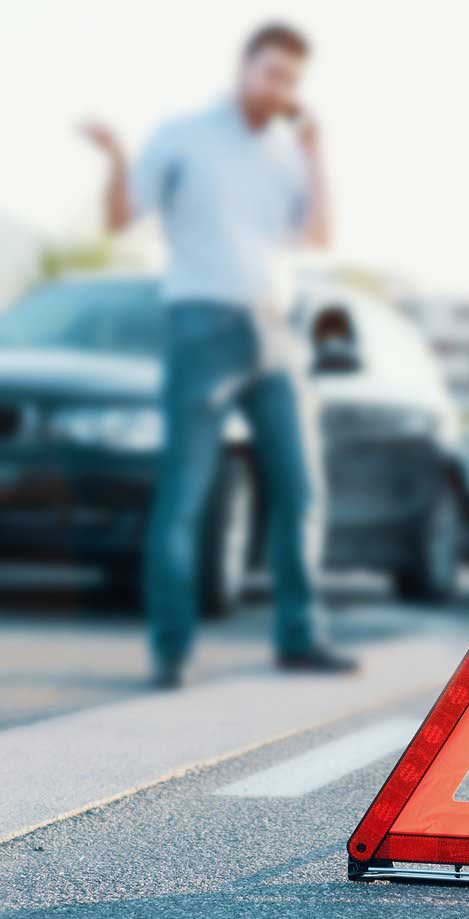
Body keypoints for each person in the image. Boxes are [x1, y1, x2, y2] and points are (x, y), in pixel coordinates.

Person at [82, 22, 357, 686]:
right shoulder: (183, 134)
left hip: (275, 330)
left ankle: (299, 636)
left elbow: (319, 234)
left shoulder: (290, 155)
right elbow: (120, 219)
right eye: (270, 73)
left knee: (301, 487)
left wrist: (317, 151)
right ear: (244, 68)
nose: (279, 88)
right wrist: (118, 158)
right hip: (201, 324)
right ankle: (170, 648)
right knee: (186, 491)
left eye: (292, 80)